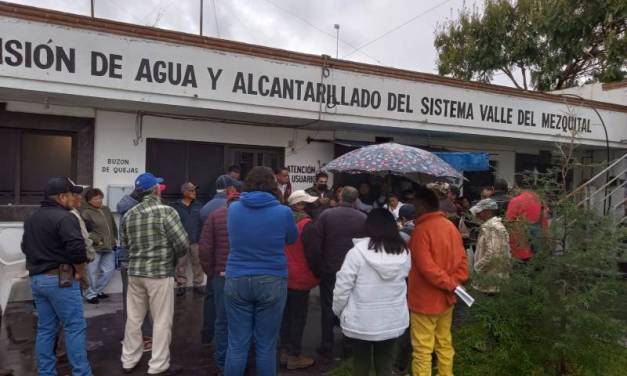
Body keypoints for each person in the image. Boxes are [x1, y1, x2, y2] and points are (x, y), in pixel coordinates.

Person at [224, 166, 298, 375]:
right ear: (273, 185)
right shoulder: (284, 212)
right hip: (272, 278)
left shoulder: (234, 209)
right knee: (266, 345)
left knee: (237, 344)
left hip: (237, 277)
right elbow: (292, 239)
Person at [21, 177, 92, 376]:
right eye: (72, 194)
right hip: (61, 281)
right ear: (62, 196)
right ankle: (82, 373)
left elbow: (25, 247)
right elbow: (77, 250)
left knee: (45, 329)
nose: (75, 197)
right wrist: (79, 271)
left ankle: (46, 372)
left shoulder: (32, 217)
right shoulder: (66, 217)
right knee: (74, 327)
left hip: (37, 280)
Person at [120, 172, 189, 375]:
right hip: (159, 272)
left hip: (135, 272)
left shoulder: (129, 214)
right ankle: (158, 365)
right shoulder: (166, 211)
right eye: (159, 186)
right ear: (156, 189)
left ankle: (128, 360)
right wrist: (172, 259)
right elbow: (182, 243)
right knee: (161, 320)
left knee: (133, 318)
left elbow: (125, 244)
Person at [333, 209, 411, 376]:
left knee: (360, 363)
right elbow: (405, 279)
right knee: (386, 362)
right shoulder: (403, 252)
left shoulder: (356, 253)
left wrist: (339, 311)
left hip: (361, 320)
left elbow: (342, 287)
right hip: (392, 319)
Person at [408, 187, 469, 376]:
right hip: (447, 299)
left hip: (424, 301)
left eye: (415, 204)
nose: (414, 209)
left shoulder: (421, 230)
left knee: (422, 350)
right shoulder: (450, 226)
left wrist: (450, 284)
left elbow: (427, 269)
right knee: (444, 344)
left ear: (423, 205)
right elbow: (463, 263)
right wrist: (453, 284)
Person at [312, 186, 367, 359]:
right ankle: (348, 345)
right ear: (356, 199)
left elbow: (316, 244)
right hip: (353, 270)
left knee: (328, 306)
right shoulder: (363, 218)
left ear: (341, 196)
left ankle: (326, 344)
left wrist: (317, 267)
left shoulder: (327, 215)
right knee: (351, 305)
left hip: (329, 268)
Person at [199, 191, 240, 373]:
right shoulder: (250, 216)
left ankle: (222, 360)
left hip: (221, 274)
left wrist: (211, 271)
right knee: (242, 319)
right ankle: (240, 358)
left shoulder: (215, 216)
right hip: (242, 275)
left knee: (222, 320)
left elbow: (205, 248)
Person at [280, 190, 319, 370]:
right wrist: (318, 274)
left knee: (286, 315)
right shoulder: (307, 225)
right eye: (307, 203)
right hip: (301, 276)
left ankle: (284, 351)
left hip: (284, 274)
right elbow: (313, 254)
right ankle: (295, 355)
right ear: (298, 205)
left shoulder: (283, 223)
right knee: (298, 317)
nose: (311, 206)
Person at [117, 184, 157, 353]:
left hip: (128, 260)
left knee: (132, 302)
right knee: (139, 302)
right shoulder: (136, 210)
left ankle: (133, 337)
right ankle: (142, 339)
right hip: (137, 261)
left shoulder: (127, 207)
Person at [81, 187, 117, 304]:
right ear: (89, 200)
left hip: (108, 246)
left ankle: (96, 290)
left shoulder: (106, 209)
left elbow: (112, 225)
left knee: (109, 271)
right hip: (95, 247)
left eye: (100, 198)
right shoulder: (85, 212)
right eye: (96, 199)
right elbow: (85, 231)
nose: (99, 201)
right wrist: (97, 240)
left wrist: (114, 239)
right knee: (91, 273)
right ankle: (90, 294)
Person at [469, 199, 511, 293]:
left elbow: (493, 255)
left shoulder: (492, 228)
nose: (476, 215)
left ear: (488, 211)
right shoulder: (490, 226)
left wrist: (477, 268)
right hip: (490, 279)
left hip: (490, 282)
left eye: (479, 212)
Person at [171, 182, 205, 297]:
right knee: (181, 264)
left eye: (195, 190)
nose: (194, 192)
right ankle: (181, 285)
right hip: (181, 241)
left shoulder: (199, 205)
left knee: (198, 263)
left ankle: (198, 285)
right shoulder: (175, 206)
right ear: (184, 192)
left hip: (196, 240)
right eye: (191, 190)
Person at [505, 189, 548, 261]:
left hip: (521, 249)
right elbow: (545, 223)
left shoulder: (516, 201)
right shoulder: (540, 201)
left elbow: (509, 223)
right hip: (538, 248)